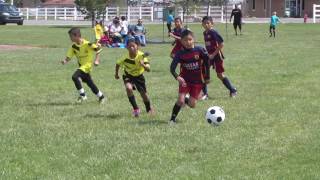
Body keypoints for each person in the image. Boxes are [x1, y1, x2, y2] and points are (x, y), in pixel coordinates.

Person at [169, 29, 210, 124]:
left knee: (192, 105)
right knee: (180, 100)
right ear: (181, 41)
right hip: (185, 80)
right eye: (185, 40)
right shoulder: (179, 54)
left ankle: (187, 99)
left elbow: (207, 63)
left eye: (190, 39)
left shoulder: (200, 50)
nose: (188, 42)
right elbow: (172, 68)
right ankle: (172, 119)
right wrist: (177, 77)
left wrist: (207, 76)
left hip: (197, 81)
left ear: (194, 39)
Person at [61, 27, 105, 103]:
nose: (70, 38)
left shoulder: (87, 44)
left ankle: (83, 96)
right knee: (90, 83)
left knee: (74, 76)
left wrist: (97, 60)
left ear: (77, 36)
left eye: (71, 36)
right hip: (81, 66)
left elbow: (98, 49)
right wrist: (65, 61)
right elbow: (69, 56)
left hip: (87, 66)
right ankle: (101, 96)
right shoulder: (74, 46)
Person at [115, 37, 154, 117]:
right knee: (128, 88)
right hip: (128, 75)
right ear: (126, 48)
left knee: (144, 94)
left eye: (133, 46)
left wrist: (143, 64)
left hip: (139, 76)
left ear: (137, 46)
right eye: (129, 46)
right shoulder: (125, 58)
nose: (131, 48)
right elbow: (118, 64)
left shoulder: (141, 56)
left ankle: (149, 108)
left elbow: (148, 69)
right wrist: (116, 74)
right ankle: (136, 109)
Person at [202, 16, 237, 99]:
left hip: (217, 56)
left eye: (208, 23)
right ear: (202, 24)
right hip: (209, 56)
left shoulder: (213, 32)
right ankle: (205, 94)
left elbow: (221, 44)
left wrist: (213, 54)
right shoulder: (205, 33)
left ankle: (233, 90)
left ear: (212, 24)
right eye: (204, 23)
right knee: (203, 73)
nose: (206, 25)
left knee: (220, 75)